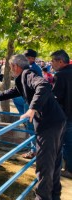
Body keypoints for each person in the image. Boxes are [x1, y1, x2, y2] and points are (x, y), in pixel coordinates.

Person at [0, 54, 66, 200]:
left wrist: (32, 108)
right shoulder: (22, 79)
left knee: (45, 165)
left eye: (10, 66)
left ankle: (43, 197)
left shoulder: (27, 74)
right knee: (55, 161)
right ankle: (54, 196)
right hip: (57, 120)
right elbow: (11, 92)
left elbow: (43, 85)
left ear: (15, 66)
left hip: (48, 124)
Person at [51, 50, 72, 179]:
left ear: (60, 61)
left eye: (53, 61)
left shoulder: (60, 75)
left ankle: (69, 170)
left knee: (67, 143)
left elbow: (56, 98)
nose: (51, 63)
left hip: (66, 115)